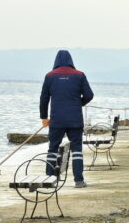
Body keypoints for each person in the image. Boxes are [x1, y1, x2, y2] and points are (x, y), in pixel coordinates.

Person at [38, 49, 95, 185]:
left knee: (52, 149)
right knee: (77, 150)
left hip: (57, 121)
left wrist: (44, 117)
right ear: (71, 61)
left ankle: (49, 179)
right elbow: (89, 95)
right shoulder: (79, 75)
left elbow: (44, 99)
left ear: (56, 61)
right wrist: (78, 104)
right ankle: (79, 180)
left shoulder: (50, 76)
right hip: (75, 120)